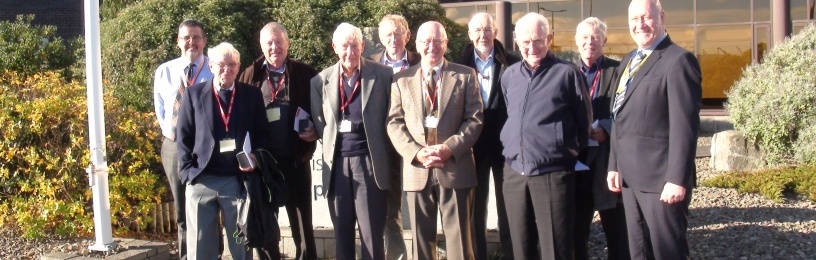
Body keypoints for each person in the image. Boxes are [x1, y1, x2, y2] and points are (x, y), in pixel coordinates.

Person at [607, 1, 702, 259]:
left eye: (646, 18)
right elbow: (618, 116)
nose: (640, 25)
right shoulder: (628, 61)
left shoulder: (679, 60)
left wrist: (677, 179)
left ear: (661, 17)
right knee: (638, 252)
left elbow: (686, 126)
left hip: (662, 182)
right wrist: (614, 164)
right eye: (634, 20)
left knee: (667, 253)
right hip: (629, 180)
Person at [387, 21, 483, 260]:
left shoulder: (465, 75)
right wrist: (416, 152)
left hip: (455, 167)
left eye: (438, 40)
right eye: (427, 41)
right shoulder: (401, 79)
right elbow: (394, 123)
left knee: (460, 243)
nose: (433, 46)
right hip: (417, 169)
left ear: (446, 44)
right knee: (421, 245)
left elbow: (475, 119)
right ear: (417, 45)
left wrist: (449, 148)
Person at [500, 12, 591, 260]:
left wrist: (560, 151)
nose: (532, 47)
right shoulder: (509, 76)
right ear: (516, 42)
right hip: (515, 173)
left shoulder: (568, 74)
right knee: (520, 247)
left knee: (556, 248)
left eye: (538, 40)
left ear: (549, 38)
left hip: (553, 173)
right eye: (525, 41)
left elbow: (584, 124)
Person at [176, 42, 269, 260]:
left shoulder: (251, 95)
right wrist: (188, 173)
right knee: (200, 250)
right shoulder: (193, 94)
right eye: (221, 64)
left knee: (240, 247)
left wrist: (255, 157)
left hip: (236, 181)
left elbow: (262, 134)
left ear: (238, 67)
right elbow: (184, 136)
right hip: (202, 178)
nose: (226, 70)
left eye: (232, 65)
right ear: (210, 65)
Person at [310, 22, 394, 260]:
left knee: (371, 235)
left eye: (355, 46)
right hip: (336, 166)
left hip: (369, 163)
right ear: (334, 47)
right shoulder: (320, 81)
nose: (350, 52)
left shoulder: (383, 75)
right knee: (342, 234)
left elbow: (391, 117)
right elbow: (320, 123)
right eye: (344, 46)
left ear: (363, 46)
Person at [238, 22, 319, 260]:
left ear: (288, 43)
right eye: (269, 43)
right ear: (262, 46)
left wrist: (316, 130)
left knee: (302, 225)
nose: (275, 47)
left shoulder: (306, 73)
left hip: (296, 159)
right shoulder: (249, 74)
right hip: (264, 164)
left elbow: (322, 111)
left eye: (279, 42)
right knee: (265, 224)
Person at [456, 12, 518, 260]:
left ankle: (512, 254)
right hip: (472, 147)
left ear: (495, 32)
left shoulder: (512, 62)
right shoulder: (458, 66)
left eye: (488, 29)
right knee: (475, 210)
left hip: (506, 147)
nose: (483, 35)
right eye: (478, 30)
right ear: (470, 34)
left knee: (510, 209)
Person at [152, 19, 213, 260]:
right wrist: (174, 133)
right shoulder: (164, 71)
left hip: (205, 147)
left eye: (196, 37)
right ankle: (187, 255)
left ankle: (212, 253)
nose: (192, 42)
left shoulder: (214, 68)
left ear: (204, 41)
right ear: (178, 41)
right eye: (186, 38)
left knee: (208, 203)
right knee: (181, 208)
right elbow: (161, 110)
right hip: (174, 146)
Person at [572, 17, 630, 260]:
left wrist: (607, 127)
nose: (589, 42)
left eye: (595, 37)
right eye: (584, 37)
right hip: (577, 160)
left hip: (609, 160)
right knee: (577, 230)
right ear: (576, 42)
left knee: (616, 229)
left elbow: (629, 113)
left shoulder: (618, 71)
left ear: (604, 41)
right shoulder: (566, 72)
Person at [368, 14, 418, 259]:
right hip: (385, 147)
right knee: (390, 209)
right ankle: (398, 255)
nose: (393, 39)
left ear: (407, 36)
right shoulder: (370, 66)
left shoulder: (421, 60)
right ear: (381, 38)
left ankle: (423, 252)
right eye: (388, 34)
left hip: (417, 143)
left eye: (398, 33)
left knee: (421, 206)